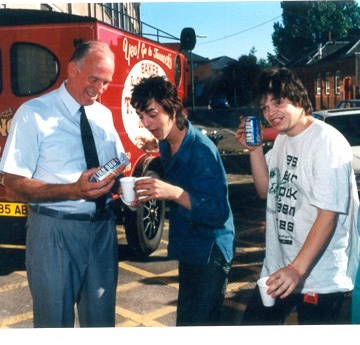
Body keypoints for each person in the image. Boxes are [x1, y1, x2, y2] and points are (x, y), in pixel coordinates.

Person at [0, 41, 125, 327]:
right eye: (94, 79)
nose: (99, 89)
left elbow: (116, 166)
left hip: (103, 230)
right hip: (53, 231)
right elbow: (12, 185)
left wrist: (126, 185)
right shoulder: (34, 113)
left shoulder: (103, 115)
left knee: (102, 323)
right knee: (54, 323)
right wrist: (72, 190)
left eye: (105, 82)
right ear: (72, 70)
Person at [235, 67, 359, 325]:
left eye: (278, 102)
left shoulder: (326, 142)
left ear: (299, 100)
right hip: (281, 267)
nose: (271, 112)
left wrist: (296, 270)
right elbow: (264, 190)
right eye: (265, 107)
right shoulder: (283, 139)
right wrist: (254, 149)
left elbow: (329, 215)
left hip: (318, 276)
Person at [129, 75, 235, 326]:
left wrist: (172, 193)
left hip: (211, 252)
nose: (146, 123)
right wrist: (154, 147)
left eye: (152, 114)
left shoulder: (201, 150)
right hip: (189, 246)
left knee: (200, 327)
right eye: (142, 117)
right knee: (186, 325)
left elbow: (218, 212)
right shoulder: (167, 143)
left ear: (172, 108)